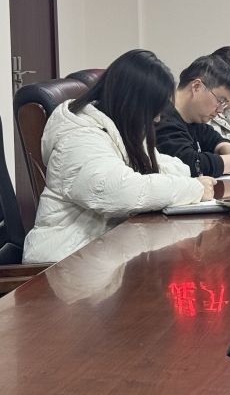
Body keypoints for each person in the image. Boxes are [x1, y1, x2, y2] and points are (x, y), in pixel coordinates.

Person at [23, 50, 215, 264]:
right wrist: (192, 188)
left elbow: (156, 163)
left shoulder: (117, 126)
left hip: (99, 254)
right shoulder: (79, 137)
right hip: (64, 264)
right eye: (153, 111)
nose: (157, 119)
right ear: (133, 102)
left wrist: (191, 177)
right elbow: (120, 191)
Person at [155, 55, 230, 177]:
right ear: (196, 87)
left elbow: (213, 138)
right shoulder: (161, 118)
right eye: (220, 100)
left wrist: (228, 149)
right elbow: (189, 164)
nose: (220, 110)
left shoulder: (193, 119)